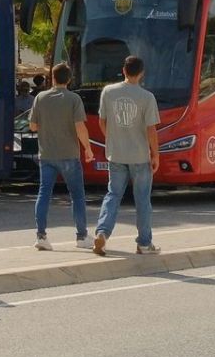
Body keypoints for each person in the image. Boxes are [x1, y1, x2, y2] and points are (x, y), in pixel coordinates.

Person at [93, 55, 160, 257]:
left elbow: (102, 122)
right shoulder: (147, 97)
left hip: (116, 153)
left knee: (113, 194)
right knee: (142, 200)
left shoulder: (108, 92)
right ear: (141, 74)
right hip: (140, 156)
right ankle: (144, 243)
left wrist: (113, 139)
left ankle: (102, 233)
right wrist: (155, 154)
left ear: (123, 70)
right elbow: (151, 130)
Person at [29, 62, 95, 249]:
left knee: (44, 194)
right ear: (70, 79)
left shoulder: (40, 98)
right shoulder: (74, 99)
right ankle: (82, 237)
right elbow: (80, 127)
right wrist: (88, 148)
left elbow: (33, 126)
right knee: (77, 196)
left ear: (52, 77)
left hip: (46, 154)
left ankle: (41, 236)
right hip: (69, 155)